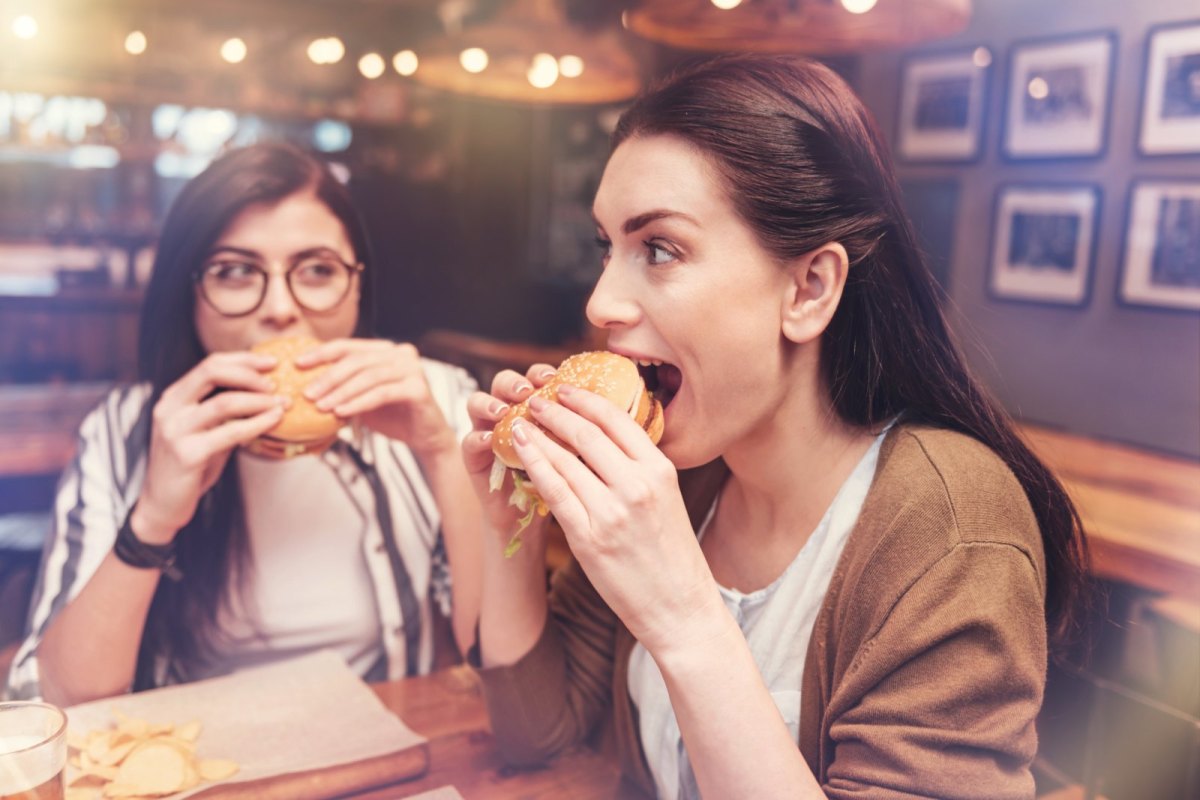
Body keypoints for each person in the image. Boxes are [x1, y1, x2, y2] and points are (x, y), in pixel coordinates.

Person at [459, 55, 1090, 799]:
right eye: (608, 248)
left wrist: (682, 613)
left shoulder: (952, 526)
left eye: (659, 248)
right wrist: (515, 523)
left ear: (809, 289)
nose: (600, 303)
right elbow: (537, 734)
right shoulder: (679, 472)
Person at [5, 142, 482, 705]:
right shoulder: (126, 430)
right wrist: (155, 516)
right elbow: (54, 698)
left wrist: (441, 451)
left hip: (397, 758)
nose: (280, 307)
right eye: (234, 272)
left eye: (317, 270)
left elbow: (496, 663)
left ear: (358, 285)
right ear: (190, 296)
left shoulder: (440, 399)